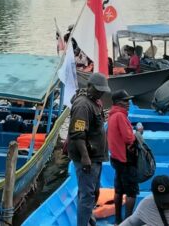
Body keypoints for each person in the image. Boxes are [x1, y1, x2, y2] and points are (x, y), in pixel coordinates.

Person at [68, 72, 110, 226]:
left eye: (102, 90)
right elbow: (78, 134)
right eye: (98, 89)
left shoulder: (94, 102)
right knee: (87, 196)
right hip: (88, 158)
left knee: (92, 193)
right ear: (89, 86)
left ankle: (89, 220)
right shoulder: (83, 105)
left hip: (96, 156)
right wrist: (85, 157)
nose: (101, 93)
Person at [108, 90, 138, 224]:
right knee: (131, 192)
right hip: (125, 159)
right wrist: (138, 134)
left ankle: (117, 220)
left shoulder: (112, 115)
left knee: (118, 190)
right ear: (118, 103)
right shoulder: (120, 116)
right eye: (126, 101)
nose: (128, 103)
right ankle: (128, 222)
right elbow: (128, 138)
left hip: (115, 158)